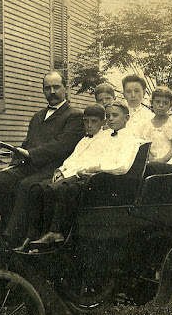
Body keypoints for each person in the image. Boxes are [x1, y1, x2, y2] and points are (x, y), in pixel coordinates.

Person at [0, 71, 84, 245]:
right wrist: (13, 164)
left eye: (56, 87)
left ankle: (13, 238)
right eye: (47, 88)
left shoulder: (74, 116)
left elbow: (61, 145)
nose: (52, 92)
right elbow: (27, 143)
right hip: (30, 166)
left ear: (65, 89)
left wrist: (31, 155)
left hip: (53, 168)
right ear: (43, 91)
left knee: (25, 186)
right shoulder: (37, 117)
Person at [26, 100, 141, 249]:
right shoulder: (107, 137)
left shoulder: (129, 139)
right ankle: (46, 233)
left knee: (65, 189)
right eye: (108, 116)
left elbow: (122, 167)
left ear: (126, 118)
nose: (111, 119)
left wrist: (96, 168)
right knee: (49, 189)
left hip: (111, 182)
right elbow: (82, 157)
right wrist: (65, 170)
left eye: (115, 115)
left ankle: (57, 232)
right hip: (95, 176)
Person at [141, 85, 172, 165]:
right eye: (157, 102)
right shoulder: (146, 125)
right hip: (152, 161)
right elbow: (146, 147)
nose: (161, 105)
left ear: (170, 105)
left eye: (165, 103)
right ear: (152, 103)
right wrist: (152, 160)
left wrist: (164, 159)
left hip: (169, 159)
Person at [121, 74, 154, 138]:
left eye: (137, 91)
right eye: (128, 91)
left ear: (144, 93)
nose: (133, 95)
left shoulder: (150, 116)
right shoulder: (118, 113)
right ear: (124, 94)